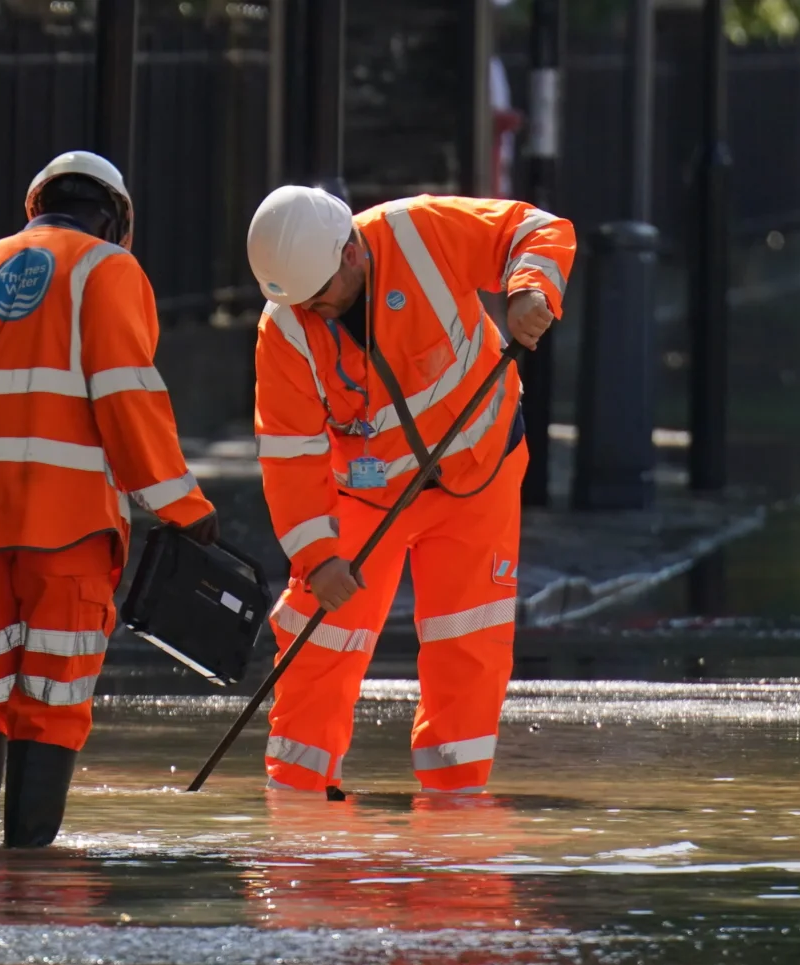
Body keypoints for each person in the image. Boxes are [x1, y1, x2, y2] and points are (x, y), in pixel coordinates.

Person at [0, 151, 218, 848]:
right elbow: (126, 394)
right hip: (68, 526)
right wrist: (182, 506)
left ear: (35, 205)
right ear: (119, 219)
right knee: (54, 693)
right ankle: (30, 862)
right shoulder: (108, 269)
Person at [243, 186, 575, 796]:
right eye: (302, 304)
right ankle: (298, 807)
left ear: (351, 254)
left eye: (322, 299)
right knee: (320, 635)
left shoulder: (421, 231)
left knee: (467, 645)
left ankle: (455, 809)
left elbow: (536, 228)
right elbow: (290, 454)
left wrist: (531, 290)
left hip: (480, 473)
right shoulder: (285, 325)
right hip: (367, 496)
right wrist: (317, 558)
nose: (316, 313)